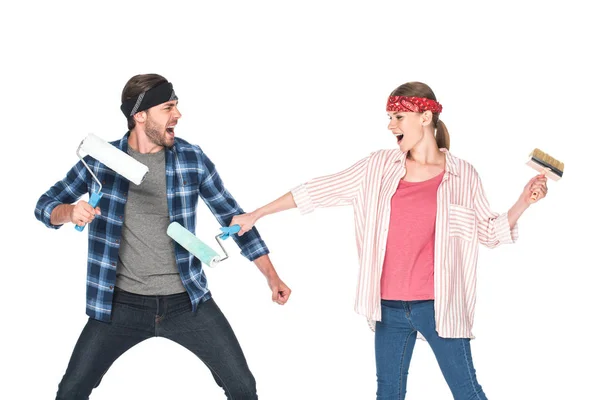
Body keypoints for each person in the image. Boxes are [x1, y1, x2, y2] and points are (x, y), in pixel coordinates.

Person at [230, 81, 548, 399]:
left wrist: (523, 202)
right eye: (389, 117)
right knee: (389, 392)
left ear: (425, 117)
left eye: (398, 117)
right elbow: (318, 189)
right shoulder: (379, 166)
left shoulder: (463, 175)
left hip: (439, 306)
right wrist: (256, 214)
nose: (390, 125)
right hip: (388, 306)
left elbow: (489, 232)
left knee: (466, 389)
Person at [34, 73, 291, 400]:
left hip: (188, 302)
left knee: (242, 387)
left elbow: (235, 218)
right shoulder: (101, 161)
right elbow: (45, 205)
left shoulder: (191, 159)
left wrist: (272, 277)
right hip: (120, 304)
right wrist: (69, 213)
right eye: (168, 107)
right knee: (72, 389)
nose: (178, 115)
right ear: (139, 116)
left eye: (177, 106)